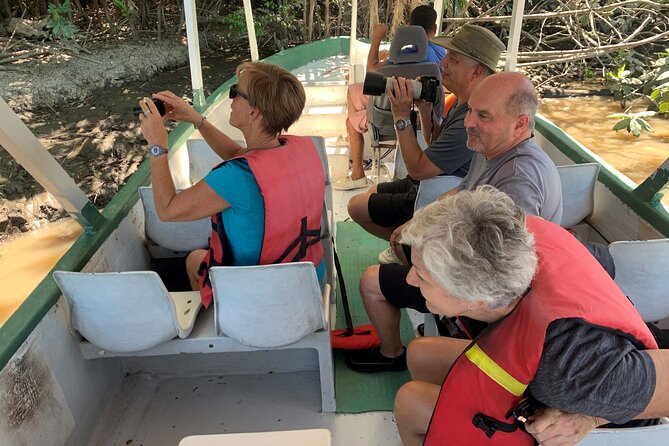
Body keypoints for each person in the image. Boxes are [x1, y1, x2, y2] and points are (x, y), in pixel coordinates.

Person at [394, 186, 667, 446]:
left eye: (422, 275)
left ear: (473, 299)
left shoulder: (567, 367)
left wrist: (589, 417)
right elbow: (604, 260)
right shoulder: (517, 234)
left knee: (409, 402)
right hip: (548, 379)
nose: (409, 279)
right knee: (419, 353)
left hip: (604, 423)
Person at [345, 71, 563, 372]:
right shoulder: (492, 148)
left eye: (483, 115)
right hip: (474, 270)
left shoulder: (518, 180)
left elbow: (498, 271)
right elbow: (461, 191)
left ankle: (392, 353)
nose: (468, 122)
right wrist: (418, 224)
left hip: (497, 299)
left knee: (372, 281)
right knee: (407, 248)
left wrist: (432, 269)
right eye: (470, 110)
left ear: (520, 123)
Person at [139, 61, 325, 307]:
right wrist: (197, 120)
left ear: (253, 113)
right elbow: (240, 153)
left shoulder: (235, 178)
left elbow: (167, 209)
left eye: (236, 93)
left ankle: (219, 325)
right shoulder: (297, 148)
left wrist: (157, 144)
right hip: (307, 280)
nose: (231, 99)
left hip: (259, 296)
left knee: (194, 260)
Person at [346, 24, 504, 264]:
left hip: (437, 193)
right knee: (372, 192)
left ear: (476, 71)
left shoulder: (472, 120)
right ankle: (408, 243)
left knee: (355, 207)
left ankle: (413, 248)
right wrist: (425, 111)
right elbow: (434, 142)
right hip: (431, 181)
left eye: (453, 59)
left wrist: (400, 116)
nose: (443, 63)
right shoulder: (464, 102)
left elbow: (418, 170)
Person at [334, 5, 446, 190]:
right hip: (427, 120)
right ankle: (360, 122)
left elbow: (371, 71)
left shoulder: (398, 57)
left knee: (350, 118)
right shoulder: (442, 55)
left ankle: (358, 172)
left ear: (409, 25)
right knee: (354, 91)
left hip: (386, 121)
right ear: (434, 29)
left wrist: (377, 40)